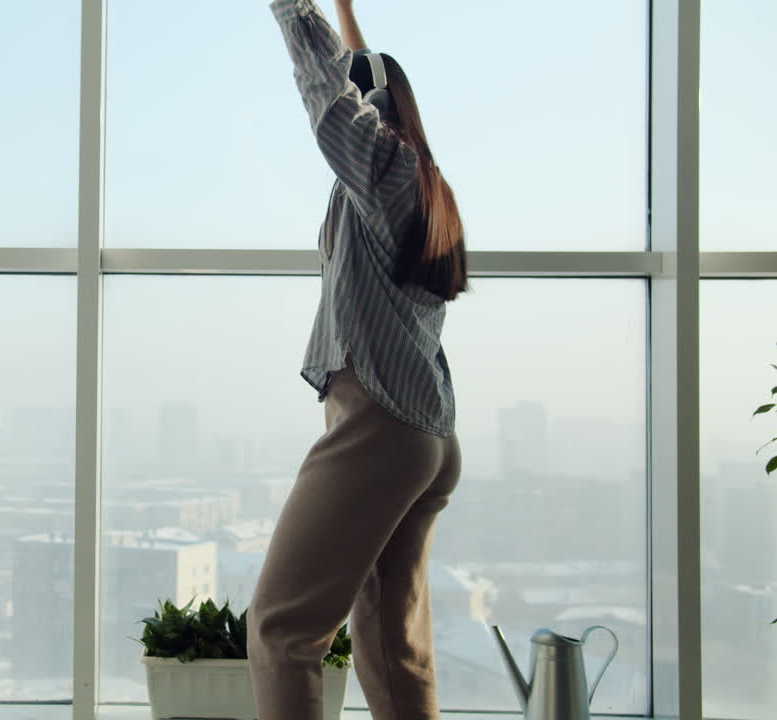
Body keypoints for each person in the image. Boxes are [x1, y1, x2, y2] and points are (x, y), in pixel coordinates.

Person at [248, 1, 467, 718]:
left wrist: (293, 8)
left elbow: (329, 87)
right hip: (424, 437)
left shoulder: (384, 171)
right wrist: (345, 10)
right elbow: (361, 73)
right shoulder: (422, 182)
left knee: (282, 629)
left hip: (378, 427)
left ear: (379, 111)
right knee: (390, 650)